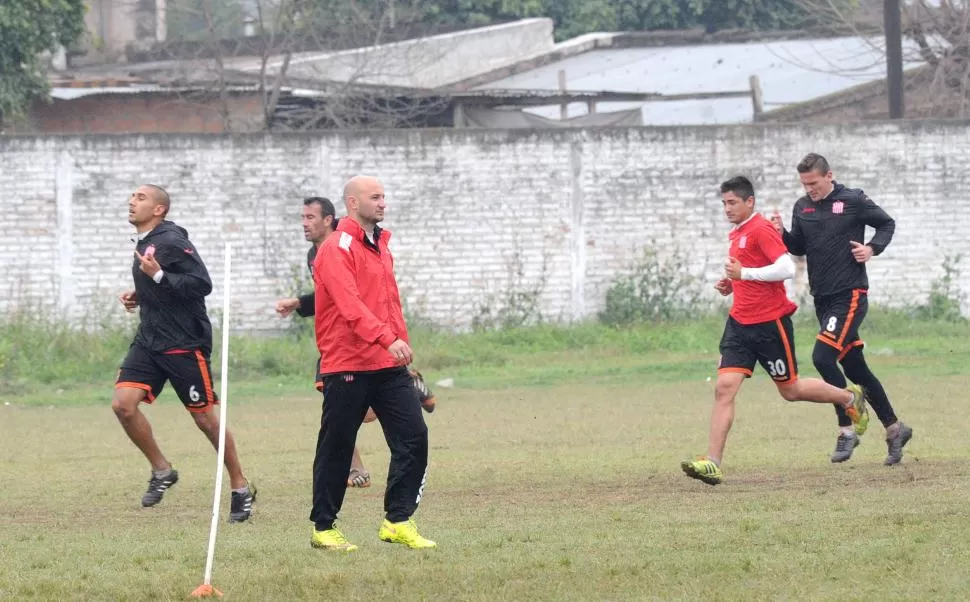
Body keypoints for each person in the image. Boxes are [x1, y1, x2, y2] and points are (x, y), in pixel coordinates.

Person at [681, 176, 867, 486]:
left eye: (732, 202)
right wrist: (734, 282)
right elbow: (751, 272)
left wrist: (746, 274)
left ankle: (849, 398)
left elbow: (785, 268)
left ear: (749, 202)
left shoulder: (761, 229)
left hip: (770, 324)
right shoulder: (737, 233)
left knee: (790, 390)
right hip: (739, 324)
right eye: (724, 203)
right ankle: (712, 462)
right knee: (724, 387)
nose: (726, 208)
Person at [114, 184, 256, 522]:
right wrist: (140, 293)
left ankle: (240, 487)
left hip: (183, 343)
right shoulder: (147, 241)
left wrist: (158, 274)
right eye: (132, 196)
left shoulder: (172, 241)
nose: (132, 202)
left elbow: (201, 284)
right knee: (123, 405)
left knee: (204, 419)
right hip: (149, 341)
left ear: (160, 209)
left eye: (141, 198)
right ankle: (162, 470)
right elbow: (162, 285)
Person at [308, 175, 435, 551]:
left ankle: (397, 520)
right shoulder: (336, 248)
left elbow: (388, 301)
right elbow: (350, 306)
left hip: (387, 364)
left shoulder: (380, 243)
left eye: (384, 196)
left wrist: (401, 347)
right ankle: (323, 528)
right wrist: (386, 338)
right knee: (338, 444)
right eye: (374, 197)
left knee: (414, 436)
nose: (382, 203)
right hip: (347, 362)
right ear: (352, 202)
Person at [275, 196, 438, 488]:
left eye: (310, 217)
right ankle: (356, 466)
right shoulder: (315, 254)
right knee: (339, 408)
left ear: (328, 220)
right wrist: (299, 303)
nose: (304, 223)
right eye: (302, 217)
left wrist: (385, 335)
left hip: (367, 338)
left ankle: (407, 386)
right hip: (338, 343)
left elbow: (358, 297)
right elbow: (333, 296)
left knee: (359, 413)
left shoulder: (349, 244)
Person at [771, 153, 912, 465]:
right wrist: (782, 232)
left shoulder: (853, 200)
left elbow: (886, 223)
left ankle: (847, 430)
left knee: (822, 356)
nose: (810, 189)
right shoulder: (802, 206)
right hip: (822, 298)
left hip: (850, 295)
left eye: (815, 183)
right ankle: (895, 429)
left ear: (829, 175)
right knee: (856, 369)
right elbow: (798, 247)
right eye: (805, 184)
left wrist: (872, 248)